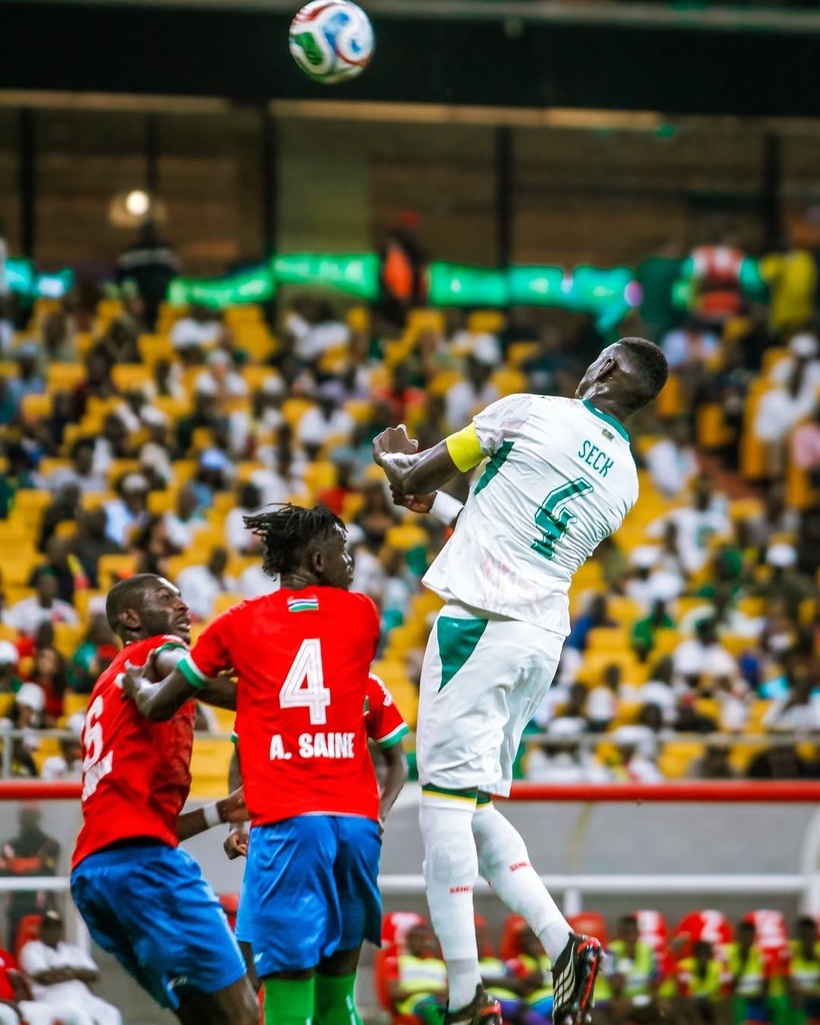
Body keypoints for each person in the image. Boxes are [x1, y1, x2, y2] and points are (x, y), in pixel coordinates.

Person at [372, 336, 669, 1025]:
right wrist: (437, 503)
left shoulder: (528, 411)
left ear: (604, 368)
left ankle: (466, 995)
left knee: (440, 804)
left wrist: (395, 461)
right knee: (471, 802)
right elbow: (515, 532)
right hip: (538, 638)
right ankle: (564, 945)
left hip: (478, 623)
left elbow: (415, 476)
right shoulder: (625, 477)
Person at [121, 505, 402, 1025]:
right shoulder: (364, 614)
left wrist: (136, 683)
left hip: (290, 826)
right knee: (339, 995)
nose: (351, 562)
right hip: (356, 827)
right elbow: (315, 681)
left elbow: (163, 703)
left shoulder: (238, 624)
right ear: (317, 560)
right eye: (343, 552)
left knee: (285, 992)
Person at [69, 574, 257, 1025]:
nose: (182, 606)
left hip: (97, 876)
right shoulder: (151, 653)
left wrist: (219, 812)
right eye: (165, 597)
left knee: (204, 1017)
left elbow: (143, 824)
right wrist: (296, 694)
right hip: (143, 870)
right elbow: (197, 680)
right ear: (130, 618)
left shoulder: (108, 686)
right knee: (244, 1016)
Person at [19, 909, 122, 1025]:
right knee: (80, 1016)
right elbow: (44, 977)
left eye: (55, 927)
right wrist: (76, 973)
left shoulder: (72, 950)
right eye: (48, 927)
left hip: (83, 996)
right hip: (54, 1000)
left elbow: (93, 975)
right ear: (40, 929)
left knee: (111, 1012)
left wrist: (63, 972)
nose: (52, 931)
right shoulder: (32, 949)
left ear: (60, 930)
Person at [0, 805, 60, 951]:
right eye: (24, 815)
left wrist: (17, 865)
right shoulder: (10, 845)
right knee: (15, 952)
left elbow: (47, 873)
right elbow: (5, 874)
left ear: (38, 817)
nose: (27, 819)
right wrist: (35, 863)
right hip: (16, 908)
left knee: (45, 952)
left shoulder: (50, 844)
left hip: (42, 910)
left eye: (31, 815)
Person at [390, 922, 448, 1024]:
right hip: (416, 1004)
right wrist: (430, 990)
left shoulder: (439, 964)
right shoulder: (399, 961)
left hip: (442, 1001)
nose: (418, 942)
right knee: (432, 1009)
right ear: (408, 941)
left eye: (422, 938)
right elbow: (396, 994)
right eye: (414, 938)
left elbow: (450, 990)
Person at [2, 570, 78, 637]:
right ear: (38, 588)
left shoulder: (65, 609)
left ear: (57, 589)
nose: (49, 588)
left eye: (52, 586)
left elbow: (74, 629)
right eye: (45, 585)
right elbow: (9, 625)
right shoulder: (23, 608)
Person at [787, 916, 820, 1025]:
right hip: (797, 1004)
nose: (807, 940)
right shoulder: (789, 951)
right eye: (803, 936)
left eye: (810, 935)